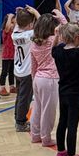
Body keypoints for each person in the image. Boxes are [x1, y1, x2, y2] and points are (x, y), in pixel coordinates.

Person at [52, 23, 79, 156]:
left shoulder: (58, 51)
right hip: (75, 94)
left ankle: (61, 150)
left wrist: (56, 36)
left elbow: (53, 48)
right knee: (72, 125)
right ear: (77, 37)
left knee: (62, 121)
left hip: (62, 91)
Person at [29, 8, 66, 146]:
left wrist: (34, 80)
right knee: (48, 111)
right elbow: (67, 29)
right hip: (50, 79)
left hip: (38, 78)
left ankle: (35, 135)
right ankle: (46, 138)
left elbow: (33, 65)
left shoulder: (34, 42)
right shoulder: (52, 41)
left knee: (37, 108)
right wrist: (61, 17)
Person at [11, 8, 35, 132]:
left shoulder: (14, 34)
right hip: (27, 72)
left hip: (18, 70)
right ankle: (21, 123)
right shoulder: (29, 35)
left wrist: (18, 14)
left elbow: (17, 24)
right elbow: (43, 26)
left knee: (20, 97)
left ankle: (18, 118)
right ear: (30, 24)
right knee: (25, 98)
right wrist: (36, 12)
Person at [0, 12, 17, 96]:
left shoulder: (15, 32)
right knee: (4, 72)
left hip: (14, 55)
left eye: (14, 23)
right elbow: (7, 27)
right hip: (6, 55)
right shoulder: (6, 31)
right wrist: (9, 17)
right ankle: (2, 88)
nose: (13, 25)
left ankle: (12, 87)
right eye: (11, 23)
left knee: (12, 72)